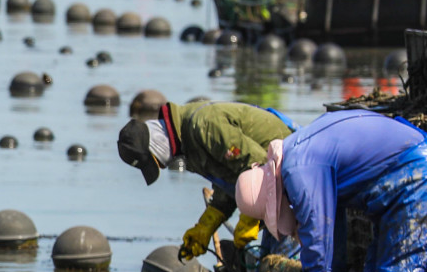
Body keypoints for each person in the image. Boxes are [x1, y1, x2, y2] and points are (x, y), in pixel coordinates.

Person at [234, 109, 427, 272]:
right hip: (406, 181)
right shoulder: (299, 150)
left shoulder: (299, 169)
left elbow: (317, 234)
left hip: (423, 175)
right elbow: (333, 229)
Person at [117, 100, 294, 261]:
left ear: (156, 144)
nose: (162, 168)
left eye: (156, 162)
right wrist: (206, 225)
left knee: (281, 264)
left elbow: (259, 167)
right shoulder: (187, 144)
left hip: (290, 174)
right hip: (273, 190)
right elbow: (231, 177)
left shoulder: (203, 126)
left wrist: (250, 217)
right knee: (267, 260)